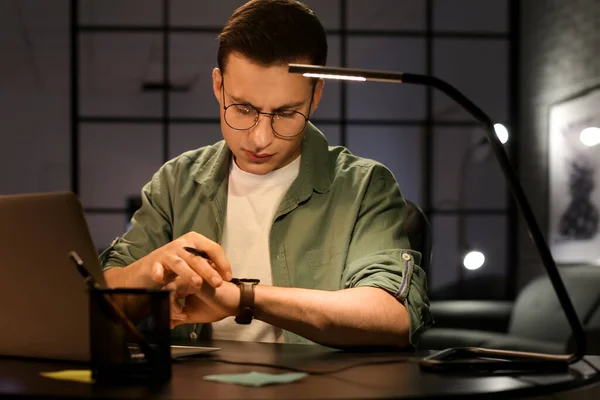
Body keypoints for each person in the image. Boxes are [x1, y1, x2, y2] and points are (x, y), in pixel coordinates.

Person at [101, 0, 432, 349]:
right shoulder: (176, 183)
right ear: (218, 87)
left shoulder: (365, 187)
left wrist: (245, 298)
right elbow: (99, 308)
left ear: (316, 93)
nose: (261, 139)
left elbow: (392, 316)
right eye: (243, 109)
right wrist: (151, 269)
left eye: (286, 113)